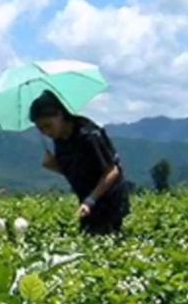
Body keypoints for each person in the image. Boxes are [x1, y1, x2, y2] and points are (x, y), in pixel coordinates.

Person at [30, 90, 130, 235]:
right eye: (40, 128)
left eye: (48, 125)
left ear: (60, 115)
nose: (46, 132)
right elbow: (78, 171)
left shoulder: (89, 136)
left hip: (109, 201)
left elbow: (112, 171)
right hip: (87, 201)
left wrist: (90, 200)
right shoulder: (60, 140)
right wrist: (55, 166)